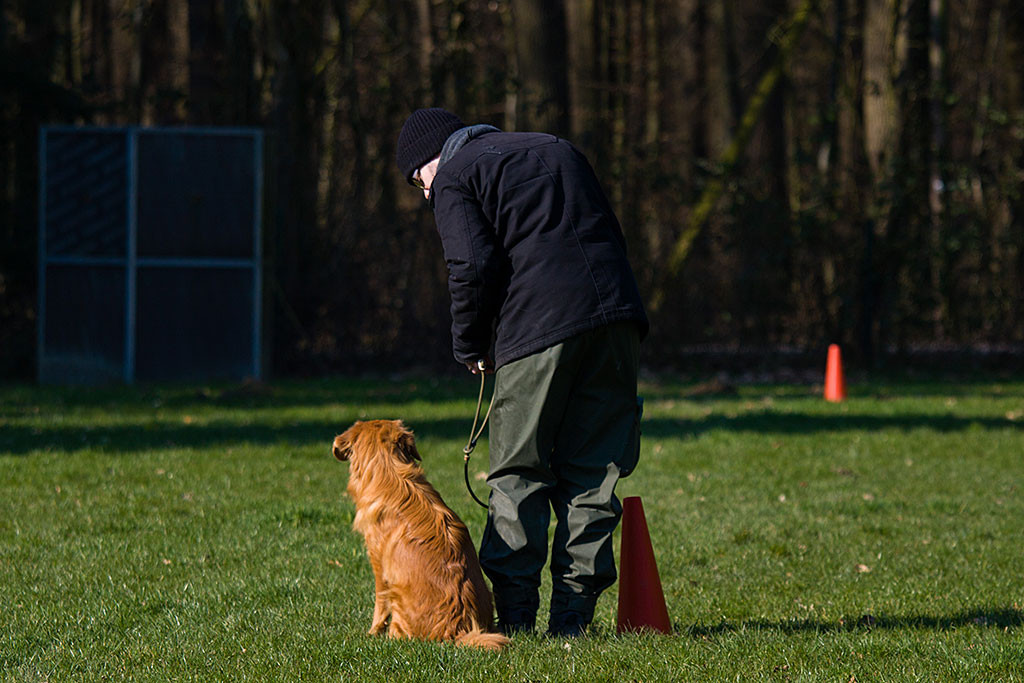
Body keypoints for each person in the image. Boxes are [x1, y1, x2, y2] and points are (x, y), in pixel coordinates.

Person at [395, 108, 648, 637]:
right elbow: (612, 234)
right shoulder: (558, 146)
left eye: (418, 180)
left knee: (519, 472)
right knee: (595, 471)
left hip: (541, 326)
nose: (423, 195)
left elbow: (471, 266)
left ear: (430, 161)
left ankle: (513, 619)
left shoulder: (457, 175)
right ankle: (573, 621)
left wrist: (470, 343)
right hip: (618, 318)